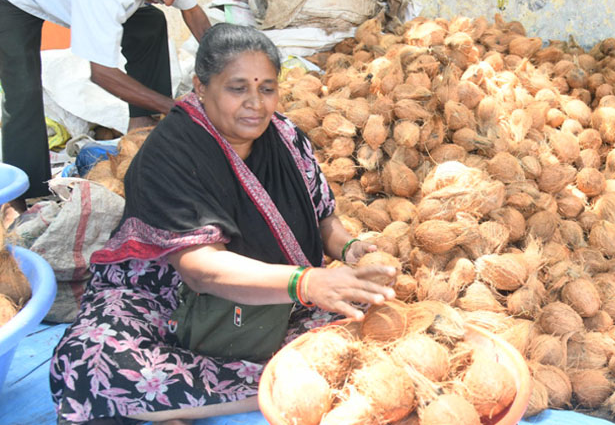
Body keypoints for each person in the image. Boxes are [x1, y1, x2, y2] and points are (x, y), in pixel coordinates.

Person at [49, 24, 395, 425]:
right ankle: (260, 391)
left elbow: (324, 219)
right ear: (200, 86)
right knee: (87, 358)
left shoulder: (287, 138)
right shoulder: (169, 152)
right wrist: (309, 283)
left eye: (267, 88)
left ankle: (164, 407)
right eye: (237, 88)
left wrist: (350, 248)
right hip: (162, 301)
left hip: (270, 301)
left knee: (368, 328)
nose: (255, 103)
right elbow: (201, 270)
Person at [0, 0, 212, 209]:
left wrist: (226, 62)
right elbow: (101, 73)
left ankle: (142, 127)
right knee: (23, 87)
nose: (168, 1)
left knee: (150, 22)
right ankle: (26, 196)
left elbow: (191, 12)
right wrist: (174, 107)